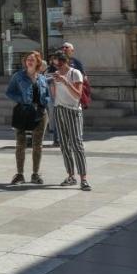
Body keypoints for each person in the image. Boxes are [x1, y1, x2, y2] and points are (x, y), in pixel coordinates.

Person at [5, 51, 50, 185]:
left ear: (38, 62)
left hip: (40, 113)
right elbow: (9, 92)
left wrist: (44, 102)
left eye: (32, 59)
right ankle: (19, 174)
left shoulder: (42, 78)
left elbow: (47, 94)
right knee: (20, 144)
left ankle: (35, 174)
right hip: (23, 112)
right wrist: (23, 100)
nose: (29, 61)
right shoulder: (18, 76)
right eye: (27, 59)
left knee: (38, 145)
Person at [49, 51, 90, 191]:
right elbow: (55, 96)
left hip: (73, 111)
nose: (57, 67)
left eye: (58, 63)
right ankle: (70, 176)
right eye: (54, 64)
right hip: (59, 110)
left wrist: (65, 82)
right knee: (64, 145)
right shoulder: (56, 74)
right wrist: (53, 84)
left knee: (77, 144)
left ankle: (83, 178)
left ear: (65, 61)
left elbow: (77, 95)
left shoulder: (75, 73)